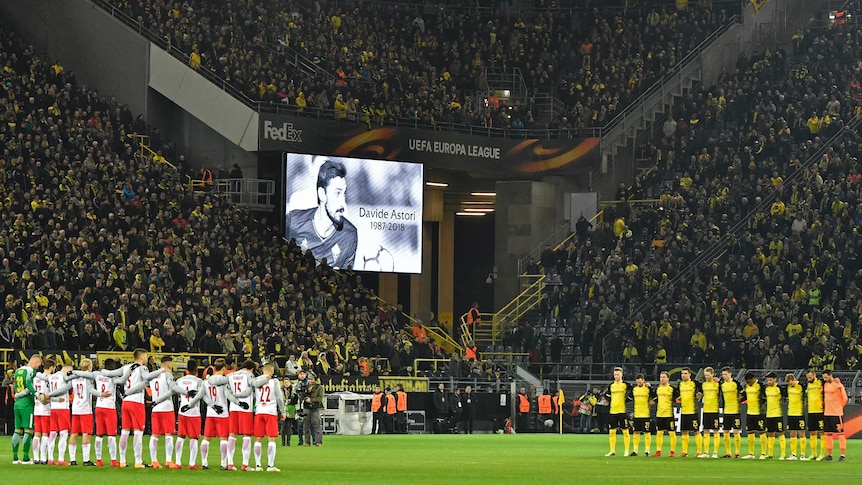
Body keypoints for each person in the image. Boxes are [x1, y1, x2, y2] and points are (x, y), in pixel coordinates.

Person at [285, 159, 358, 269]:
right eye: (337, 193)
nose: (342, 203)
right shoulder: (293, 221)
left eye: (344, 194)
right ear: (322, 194)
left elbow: (347, 276)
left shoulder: (349, 234)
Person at [117, 348, 165, 468]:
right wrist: (161, 370)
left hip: (125, 401)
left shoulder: (127, 367)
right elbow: (147, 376)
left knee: (125, 431)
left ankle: (122, 460)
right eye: (145, 356)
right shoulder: (142, 367)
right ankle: (138, 461)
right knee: (138, 432)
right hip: (136, 402)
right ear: (142, 357)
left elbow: (115, 376)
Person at [149, 356, 187, 469]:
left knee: (155, 435)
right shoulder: (167, 375)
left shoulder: (153, 376)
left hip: (155, 408)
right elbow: (173, 388)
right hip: (166, 408)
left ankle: (154, 461)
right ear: (169, 365)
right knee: (169, 435)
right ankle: (169, 461)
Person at [67, 359, 105, 466]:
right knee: (86, 433)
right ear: (89, 367)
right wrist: (100, 394)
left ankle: (72, 459)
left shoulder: (74, 377)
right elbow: (90, 390)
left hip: (75, 408)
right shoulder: (88, 377)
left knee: (73, 434)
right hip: (85, 409)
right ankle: (86, 459)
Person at [225, 360, 257, 471]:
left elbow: (226, 391)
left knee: (232, 435)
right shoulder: (250, 376)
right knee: (246, 435)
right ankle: (245, 464)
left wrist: (234, 397)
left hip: (233, 408)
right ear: (252, 369)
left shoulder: (231, 375)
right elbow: (250, 390)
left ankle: (230, 463)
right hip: (246, 408)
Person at [252, 363, 284, 472]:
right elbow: (279, 398)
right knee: (271, 438)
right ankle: (270, 466)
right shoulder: (274, 381)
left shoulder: (256, 381)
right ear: (271, 371)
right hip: (270, 412)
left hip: (259, 411)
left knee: (258, 439)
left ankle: (257, 465)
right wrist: (283, 411)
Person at [173, 359, 205, 469]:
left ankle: (177, 462)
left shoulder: (179, 381)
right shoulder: (199, 381)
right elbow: (200, 396)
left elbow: (176, 392)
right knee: (194, 438)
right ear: (196, 370)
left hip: (182, 411)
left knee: (181, 436)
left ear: (186, 370)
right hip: (194, 412)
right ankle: (191, 463)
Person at [11, 354, 42, 465]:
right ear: (35, 362)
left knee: (17, 430)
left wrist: (17, 395)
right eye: (38, 364)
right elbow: (29, 385)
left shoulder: (18, 370)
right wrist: (37, 394)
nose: (38, 367)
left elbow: (14, 386)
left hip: (17, 404)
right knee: (28, 430)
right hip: (26, 404)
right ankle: (25, 457)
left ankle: (15, 458)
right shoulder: (30, 371)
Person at [201, 358, 231, 470]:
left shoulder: (207, 381)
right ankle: (223, 463)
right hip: (222, 413)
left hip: (210, 412)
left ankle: (204, 462)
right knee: (223, 438)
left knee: (206, 438)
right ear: (223, 368)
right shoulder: (224, 380)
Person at [44, 364, 76, 466]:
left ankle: (50, 458)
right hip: (63, 408)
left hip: (53, 407)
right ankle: (61, 459)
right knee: (64, 433)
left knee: (52, 433)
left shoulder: (52, 376)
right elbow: (65, 389)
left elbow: (48, 392)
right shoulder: (64, 377)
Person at [822, 370, 848, 461]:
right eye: (823, 377)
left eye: (826, 377)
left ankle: (842, 455)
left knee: (840, 434)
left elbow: (845, 399)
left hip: (836, 414)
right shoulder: (825, 385)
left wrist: (839, 408)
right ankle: (829, 455)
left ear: (830, 375)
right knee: (828, 435)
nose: (824, 379)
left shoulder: (839, 385)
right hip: (827, 413)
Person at [604, 367, 631, 457]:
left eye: (618, 374)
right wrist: (610, 400)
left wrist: (627, 399)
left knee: (625, 431)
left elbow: (633, 391)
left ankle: (626, 451)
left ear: (622, 375)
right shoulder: (611, 385)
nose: (616, 376)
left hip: (622, 411)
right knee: (612, 432)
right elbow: (606, 395)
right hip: (613, 411)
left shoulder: (625, 385)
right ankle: (612, 451)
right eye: (615, 374)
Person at [677, 367, 703, 458]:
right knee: (684, 432)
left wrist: (699, 393)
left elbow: (702, 389)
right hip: (684, 411)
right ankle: (684, 451)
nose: (683, 375)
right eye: (682, 374)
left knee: (696, 431)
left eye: (685, 373)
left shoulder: (694, 383)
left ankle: (699, 451)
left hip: (693, 411)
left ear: (689, 374)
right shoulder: (680, 384)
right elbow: (678, 395)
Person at [741, 372, 767, 459]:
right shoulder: (747, 386)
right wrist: (740, 399)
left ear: (753, 379)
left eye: (749, 381)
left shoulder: (760, 385)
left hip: (759, 412)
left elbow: (765, 397)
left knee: (762, 432)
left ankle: (763, 453)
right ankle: (751, 453)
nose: (748, 383)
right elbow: (745, 396)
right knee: (750, 432)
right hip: (749, 412)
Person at [719, 367, 743, 458]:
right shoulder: (722, 385)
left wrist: (740, 398)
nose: (724, 376)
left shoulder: (736, 383)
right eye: (723, 374)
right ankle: (728, 452)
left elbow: (743, 393)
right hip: (726, 411)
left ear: (730, 374)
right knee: (726, 431)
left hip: (735, 411)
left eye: (726, 374)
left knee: (736, 431)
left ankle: (737, 452)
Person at [654, 370, 678, 457]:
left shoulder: (672, 389)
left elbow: (678, 399)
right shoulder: (658, 388)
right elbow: (656, 400)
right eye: (661, 377)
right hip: (659, 414)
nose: (662, 379)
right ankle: (658, 451)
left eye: (664, 377)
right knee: (659, 433)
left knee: (671, 433)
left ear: (668, 378)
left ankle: (672, 451)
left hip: (669, 414)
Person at [763, 371, 787, 459]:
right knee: (770, 434)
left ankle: (783, 454)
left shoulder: (779, 388)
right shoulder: (767, 389)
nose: (768, 382)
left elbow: (786, 395)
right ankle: (770, 454)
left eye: (770, 380)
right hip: (769, 415)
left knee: (780, 433)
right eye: (768, 380)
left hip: (778, 414)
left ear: (774, 380)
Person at [630, 373, 654, 457]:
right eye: (638, 381)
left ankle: (647, 451)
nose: (639, 382)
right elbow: (629, 398)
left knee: (646, 432)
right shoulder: (634, 389)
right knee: (636, 433)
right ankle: (635, 451)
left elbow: (655, 397)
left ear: (643, 380)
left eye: (640, 381)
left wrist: (651, 402)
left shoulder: (647, 388)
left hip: (645, 414)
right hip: (637, 414)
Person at [784, 373, 807, 460]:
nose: (790, 385)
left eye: (791, 383)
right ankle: (793, 454)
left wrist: (805, 400)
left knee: (801, 433)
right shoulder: (788, 388)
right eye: (789, 384)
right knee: (792, 433)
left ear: (793, 379)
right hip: (791, 413)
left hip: (799, 413)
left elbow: (807, 394)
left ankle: (802, 454)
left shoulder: (801, 386)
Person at [700, 367, 721, 458]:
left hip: (714, 410)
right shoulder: (704, 385)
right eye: (705, 375)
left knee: (716, 431)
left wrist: (719, 382)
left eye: (708, 375)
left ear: (712, 374)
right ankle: (706, 452)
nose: (707, 377)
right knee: (706, 430)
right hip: (705, 410)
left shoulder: (717, 384)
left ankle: (715, 452)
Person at [805, 369, 825, 460]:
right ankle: (813, 454)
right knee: (812, 432)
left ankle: (822, 454)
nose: (809, 379)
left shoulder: (821, 382)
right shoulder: (807, 385)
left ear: (814, 375)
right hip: (810, 411)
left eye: (810, 377)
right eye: (808, 377)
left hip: (820, 411)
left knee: (822, 432)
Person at [302, 373, 324, 446]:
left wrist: (311, 400)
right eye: (308, 379)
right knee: (306, 425)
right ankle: (307, 442)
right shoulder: (305, 386)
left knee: (317, 425)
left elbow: (320, 398)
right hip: (306, 407)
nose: (309, 381)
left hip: (315, 407)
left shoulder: (319, 387)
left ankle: (318, 442)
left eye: (311, 379)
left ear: (314, 379)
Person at [281, 378, 296, 445]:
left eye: (287, 382)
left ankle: (288, 442)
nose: (286, 384)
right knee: (283, 427)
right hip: (283, 409)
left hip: (291, 409)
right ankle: (283, 442)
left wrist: (291, 401)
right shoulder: (280, 390)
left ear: (290, 383)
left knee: (289, 427)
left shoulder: (293, 390)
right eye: (285, 382)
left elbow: (296, 400)